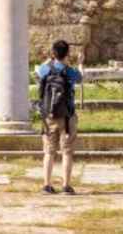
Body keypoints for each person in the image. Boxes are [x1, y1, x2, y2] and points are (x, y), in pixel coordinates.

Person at [36, 39, 83, 194]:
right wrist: (79, 63)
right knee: (67, 152)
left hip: (48, 116)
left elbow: (37, 71)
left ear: (53, 53)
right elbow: (80, 78)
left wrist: (50, 59)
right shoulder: (69, 71)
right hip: (67, 117)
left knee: (49, 152)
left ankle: (47, 185)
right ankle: (66, 186)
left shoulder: (45, 69)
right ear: (67, 54)